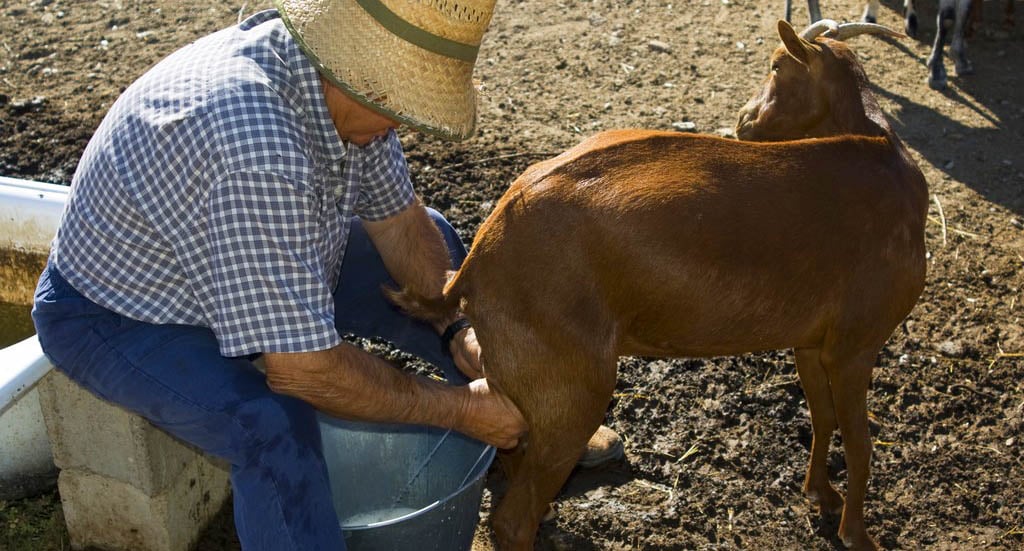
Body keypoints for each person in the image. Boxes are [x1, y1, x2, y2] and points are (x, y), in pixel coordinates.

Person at [31, 0, 622, 548]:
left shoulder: (342, 85)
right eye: (397, 108)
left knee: (435, 237)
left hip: (246, 250)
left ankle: (511, 417)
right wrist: (457, 409)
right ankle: (483, 417)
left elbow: (400, 224)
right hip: (122, 312)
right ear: (353, 72)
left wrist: (459, 328)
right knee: (271, 424)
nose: (402, 126)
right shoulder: (258, 146)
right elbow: (305, 372)